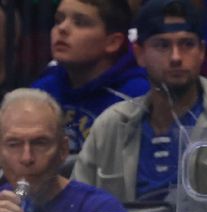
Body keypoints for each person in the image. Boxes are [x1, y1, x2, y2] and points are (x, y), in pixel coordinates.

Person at [72, 0, 207, 211]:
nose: (176, 57)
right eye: (162, 45)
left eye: (187, 44)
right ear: (139, 54)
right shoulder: (111, 124)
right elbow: (76, 210)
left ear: (202, 51)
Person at [0, 88, 126, 212]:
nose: (27, 158)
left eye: (40, 143)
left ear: (63, 150)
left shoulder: (99, 211)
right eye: (14, 144)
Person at [31, 0, 149, 154]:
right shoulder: (42, 90)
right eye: (58, 20)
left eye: (80, 23)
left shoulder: (137, 97)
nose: (62, 28)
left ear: (113, 42)